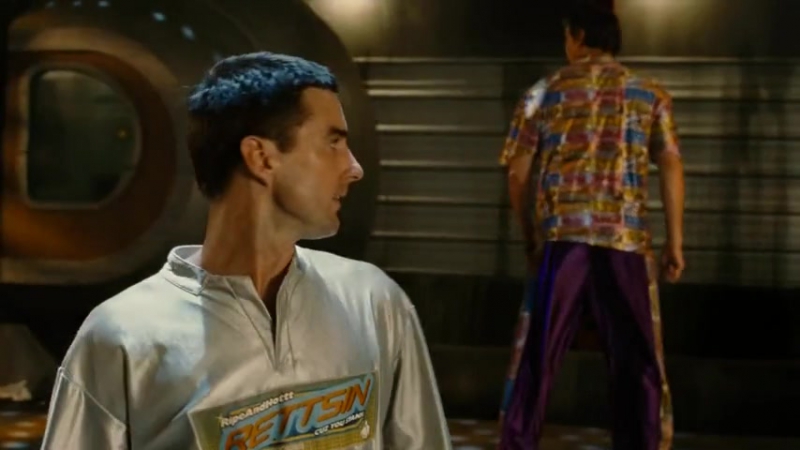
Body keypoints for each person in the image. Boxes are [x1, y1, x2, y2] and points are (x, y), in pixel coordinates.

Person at [40, 52, 452, 450]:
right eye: (333, 142)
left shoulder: (374, 302)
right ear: (261, 157)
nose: (354, 167)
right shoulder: (121, 336)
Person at [497, 2, 685, 450]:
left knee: (539, 356)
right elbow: (671, 165)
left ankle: (518, 443)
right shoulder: (650, 94)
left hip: (563, 241)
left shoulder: (543, 92)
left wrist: (530, 236)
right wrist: (675, 243)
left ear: (578, 37)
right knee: (636, 360)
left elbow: (518, 173)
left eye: (567, 36)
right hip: (625, 242)